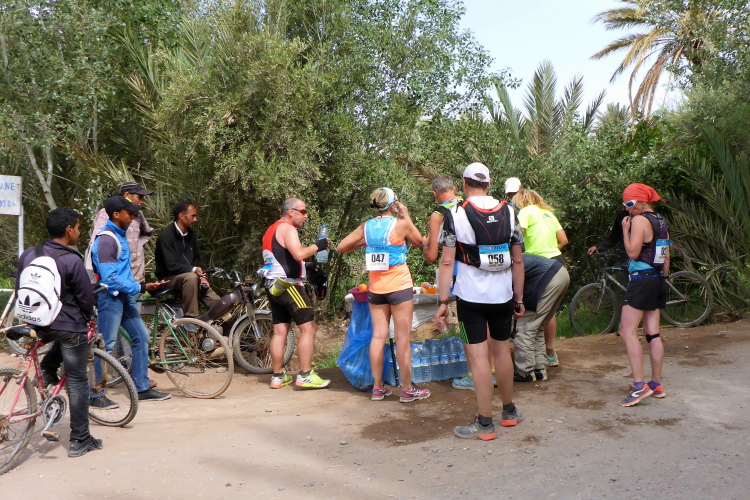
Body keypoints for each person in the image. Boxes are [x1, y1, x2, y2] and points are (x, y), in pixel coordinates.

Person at [435, 162, 525, 440]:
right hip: (503, 296)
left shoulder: (454, 214)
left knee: (478, 358)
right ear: (488, 184)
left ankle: (485, 422)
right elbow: (518, 260)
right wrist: (519, 298)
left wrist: (442, 301)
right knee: (502, 351)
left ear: (464, 184)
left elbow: (446, 261)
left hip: (470, 298)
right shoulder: (510, 211)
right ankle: (509, 411)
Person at [16, 208, 101, 457]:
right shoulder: (71, 260)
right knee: (77, 380)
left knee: (58, 339)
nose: (79, 232)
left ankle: (47, 369)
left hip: (35, 322)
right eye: (78, 227)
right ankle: (80, 440)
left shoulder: (29, 254)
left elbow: (21, 286)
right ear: (68, 229)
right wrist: (88, 317)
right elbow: (85, 298)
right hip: (66, 324)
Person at [337, 188, 430, 403]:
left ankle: (378, 388)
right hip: (399, 287)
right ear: (393, 204)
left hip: (376, 289)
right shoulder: (400, 224)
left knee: (378, 337)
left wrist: (365, 242)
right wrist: (406, 215)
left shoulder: (366, 226)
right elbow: (419, 242)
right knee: (402, 338)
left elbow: (341, 247)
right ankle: (407, 389)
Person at [92, 196, 171, 402]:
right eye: (129, 213)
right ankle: (96, 394)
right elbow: (109, 278)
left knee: (141, 337)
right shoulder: (107, 240)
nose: (133, 216)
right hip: (110, 298)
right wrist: (140, 287)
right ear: (116, 215)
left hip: (124, 296)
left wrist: (136, 287)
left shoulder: (120, 236)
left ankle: (142, 388)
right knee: (105, 346)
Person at [258, 198, 331, 389]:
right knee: (309, 328)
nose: (306, 216)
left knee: (280, 331)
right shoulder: (288, 229)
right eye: (303, 212)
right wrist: (318, 246)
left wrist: (307, 266)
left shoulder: (271, 229)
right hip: (289, 285)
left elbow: (281, 258)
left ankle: (277, 376)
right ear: (291, 211)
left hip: (273, 285)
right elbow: (298, 254)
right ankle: (305, 374)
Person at [618, 183, 670, 407]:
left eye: (630, 203)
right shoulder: (661, 221)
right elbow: (666, 256)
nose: (628, 209)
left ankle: (639, 386)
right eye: (625, 204)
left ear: (642, 201)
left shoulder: (639, 221)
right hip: (658, 279)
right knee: (652, 333)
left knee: (627, 332)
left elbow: (632, 252)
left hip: (641, 279)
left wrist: (624, 230)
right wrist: (662, 278)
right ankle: (656, 384)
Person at [511, 188, 568, 368]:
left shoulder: (525, 212)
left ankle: (527, 363)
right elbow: (564, 240)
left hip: (537, 265)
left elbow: (515, 236)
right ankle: (549, 353)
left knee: (531, 314)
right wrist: (551, 250)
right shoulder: (548, 214)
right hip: (557, 262)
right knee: (547, 312)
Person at [154, 201, 221, 318]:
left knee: (212, 296)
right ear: (182, 216)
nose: (196, 219)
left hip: (190, 276)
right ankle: (191, 319)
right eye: (193, 216)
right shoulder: (166, 236)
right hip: (169, 278)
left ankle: (226, 319)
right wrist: (194, 270)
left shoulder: (191, 235)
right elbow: (171, 265)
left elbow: (196, 259)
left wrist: (202, 277)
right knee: (191, 278)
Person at [512, 254, 570, 382]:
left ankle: (525, 372)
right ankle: (540, 370)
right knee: (537, 327)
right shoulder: (507, 258)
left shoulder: (502, 266)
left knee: (524, 327)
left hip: (548, 278)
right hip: (561, 273)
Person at [90, 181, 154, 284]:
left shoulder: (138, 214)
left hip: (136, 277)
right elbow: (98, 245)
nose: (142, 201)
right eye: (139, 197)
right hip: (117, 281)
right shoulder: (106, 214)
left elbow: (147, 232)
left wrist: (137, 247)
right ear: (127, 195)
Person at [587, 209, 630, 287]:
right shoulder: (622, 216)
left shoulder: (643, 217)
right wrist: (597, 247)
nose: (627, 208)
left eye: (630, 204)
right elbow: (613, 238)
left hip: (639, 260)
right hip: (624, 258)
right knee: (626, 287)